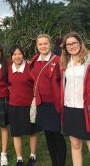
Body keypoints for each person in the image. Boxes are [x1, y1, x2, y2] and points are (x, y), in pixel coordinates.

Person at [60, 32, 90, 166]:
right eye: (68, 44)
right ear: (65, 47)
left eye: (74, 43)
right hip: (69, 108)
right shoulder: (65, 61)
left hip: (86, 109)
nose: (72, 46)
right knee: (75, 145)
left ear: (80, 43)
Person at [29, 34, 67, 166]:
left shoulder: (58, 60)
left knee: (57, 136)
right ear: (37, 46)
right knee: (48, 136)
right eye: (40, 44)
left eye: (45, 43)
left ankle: (61, 163)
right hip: (42, 104)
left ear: (50, 45)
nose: (43, 46)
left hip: (55, 104)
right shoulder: (34, 60)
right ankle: (54, 163)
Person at [8, 45, 39, 166]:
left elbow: (37, 83)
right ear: (11, 56)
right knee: (16, 133)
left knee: (32, 131)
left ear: (23, 55)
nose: (17, 57)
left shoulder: (29, 67)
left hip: (29, 105)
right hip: (14, 105)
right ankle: (19, 158)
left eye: (19, 54)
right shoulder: (9, 69)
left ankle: (32, 155)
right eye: (14, 54)